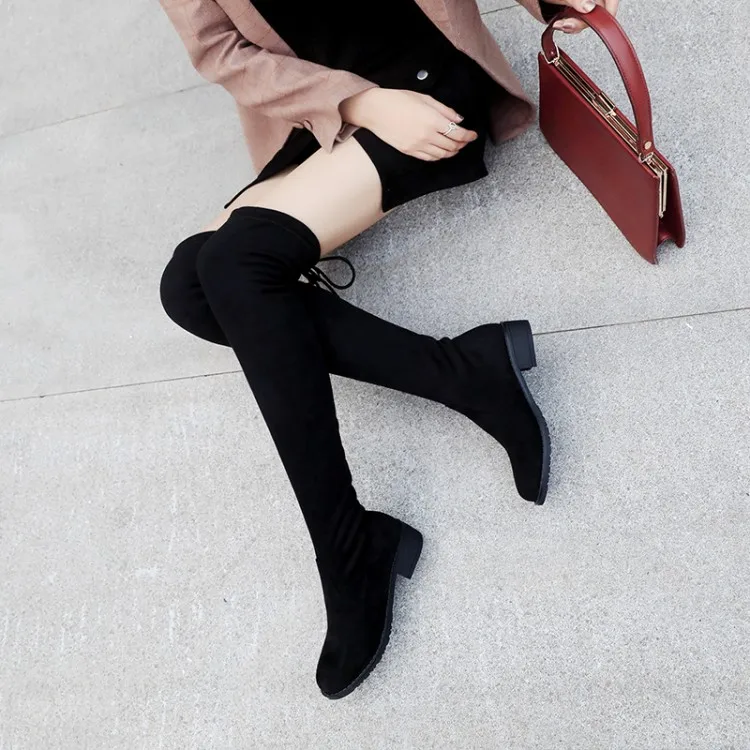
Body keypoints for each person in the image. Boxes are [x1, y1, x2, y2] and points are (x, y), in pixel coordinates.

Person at [158, 0, 620, 699]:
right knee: (189, 289)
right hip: (329, 114)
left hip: (425, 79)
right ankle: (466, 372)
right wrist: (361, 104)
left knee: (235, 267)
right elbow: (222, 51)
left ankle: (349, 548)